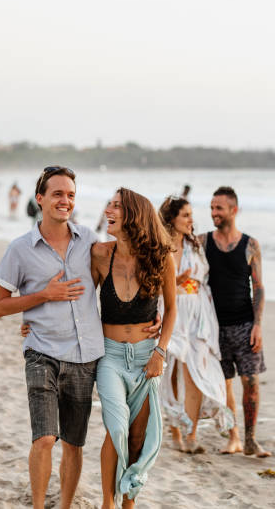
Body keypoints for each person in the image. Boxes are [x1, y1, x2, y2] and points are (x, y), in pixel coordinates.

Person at [0, 167, 160, 509]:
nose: (65, 201)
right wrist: (43, 296)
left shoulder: (90, 243)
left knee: (73, 443)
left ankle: (65, 506)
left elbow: (131, 260)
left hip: (85, 356)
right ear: (40, 199)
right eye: (57, 194)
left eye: (70, 195)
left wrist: (149, 312)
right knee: (44, 438)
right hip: (41, 352)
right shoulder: (20, 249)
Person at [90, 188, 176, 508]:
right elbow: (81, 304)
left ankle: (128, 502)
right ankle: (107, 503)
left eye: (116, 206)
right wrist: (37, 320)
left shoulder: (160, 257)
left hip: (145, 358)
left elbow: (171, 311)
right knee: (117, 428)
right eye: (109, 204)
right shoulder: (99, 254)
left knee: (138, 436)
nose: (108, 210)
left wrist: (160, 352)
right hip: (110, 357)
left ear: (134, 216)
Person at [198, 186, 271, 458]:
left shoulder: (250, 245)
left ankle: (251, 440)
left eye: (219, 208)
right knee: (224, 385)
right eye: (212, 208)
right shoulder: (203, 241)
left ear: (233, 210)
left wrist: (258, 324)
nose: (213, 212)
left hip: (244, 325)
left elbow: (259, 286)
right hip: (214, 327)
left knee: (250, 382)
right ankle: (234, 437)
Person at [158, 196, 233, 454]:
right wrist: (174, 282)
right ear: (171, 219)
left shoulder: (195, 245)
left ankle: (191, 435)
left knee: (196, 371)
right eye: (186, 216)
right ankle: (176, 429)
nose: (192, 220)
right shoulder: (160, 248)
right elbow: (152, 284)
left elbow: (203, 278)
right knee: (171, 372)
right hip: (172, 310)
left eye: (191, 214)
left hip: (198, 312)